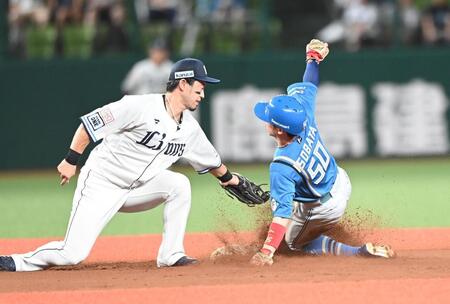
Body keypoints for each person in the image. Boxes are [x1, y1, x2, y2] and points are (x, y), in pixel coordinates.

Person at [0, 58, 258, 272]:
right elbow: (90, 125)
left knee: (180, 184)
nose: (203, 94)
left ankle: (171, 254)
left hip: (137, 189)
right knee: (72, 253)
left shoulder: (190, 128)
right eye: (199, 88)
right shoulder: (139, 106)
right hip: (101, 184)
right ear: (182, 84)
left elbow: (212, 161)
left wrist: (230, 180)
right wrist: (71, 160)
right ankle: (15, 262)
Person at [249, 39, 394, 266]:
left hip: (324, 207)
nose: (265, 119)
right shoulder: (301, 115)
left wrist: (266, 252)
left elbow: (282, 214)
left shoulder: (282, 164)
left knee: (294, 243)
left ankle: (357, 252)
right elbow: (309, 83)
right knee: (295, 199)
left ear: (279, 130)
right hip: (340, 181)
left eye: (269, 117)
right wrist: (312, 59)